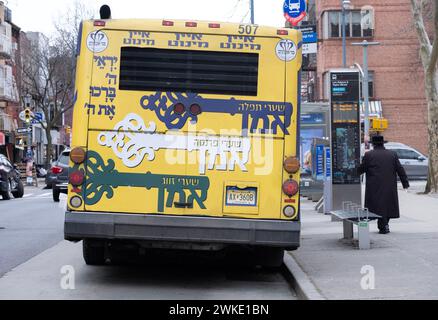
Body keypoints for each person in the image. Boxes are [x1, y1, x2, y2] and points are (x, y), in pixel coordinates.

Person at [358, 135, 410, 234]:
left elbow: (361, 169)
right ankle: (384, 225)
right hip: (389, 185)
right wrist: (405, 183)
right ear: (383, 143)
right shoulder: (392, 154)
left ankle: (383, 226)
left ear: (373, 144)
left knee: (378, 207)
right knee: (388, 206)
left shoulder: (369, 155)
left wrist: (352, 173)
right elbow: (400, 169)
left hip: (374, 186)